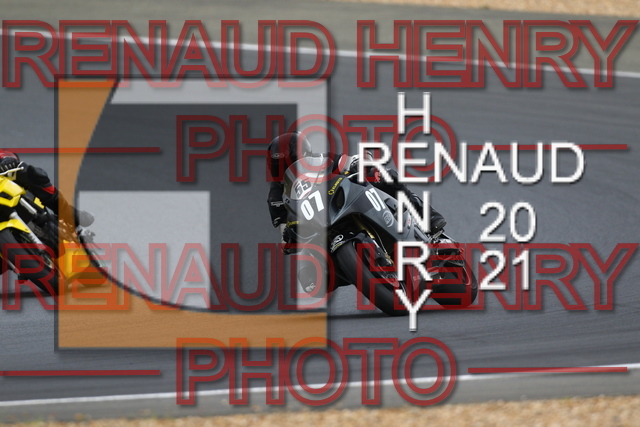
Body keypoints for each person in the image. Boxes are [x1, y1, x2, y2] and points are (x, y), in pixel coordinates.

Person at [267, 132, 446, 245]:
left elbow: (348, 161)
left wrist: (359, 163)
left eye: (291, 162)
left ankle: (427, 217)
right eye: (279, 166)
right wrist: (289, 236)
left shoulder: (322, 160)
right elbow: (283, 231)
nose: (286, 168)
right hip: (319, 231)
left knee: (384, 176)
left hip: (342, 203)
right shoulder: (276, 197)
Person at [0, 150, 94, 227]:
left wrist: (6, 159)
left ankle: (69, 213)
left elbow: (6, 154)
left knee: (29, 173)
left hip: (7, 189)